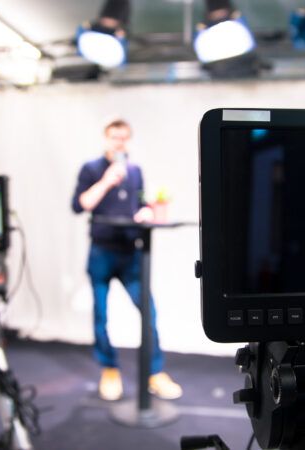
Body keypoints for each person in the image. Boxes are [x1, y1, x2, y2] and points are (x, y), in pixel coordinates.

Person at [71, 118, 182, 401]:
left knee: (149, 311)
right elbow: (80, 205)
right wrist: (106, 181)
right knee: (101, 314)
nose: (118, 142)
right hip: (101, 252)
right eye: (113, 137)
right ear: (105, 139)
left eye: (123, 138)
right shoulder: (92, 169)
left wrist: (146, 210)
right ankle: (109, 369)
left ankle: (154, 372)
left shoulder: (135, 171)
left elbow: (140, 203)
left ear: (128, 140)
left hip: (130, 252)